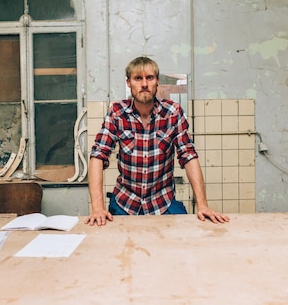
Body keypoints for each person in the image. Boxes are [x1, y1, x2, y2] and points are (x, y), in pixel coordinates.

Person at [84, 56, 231, 226]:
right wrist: (97, 207)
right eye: (138, 78)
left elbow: (188, 155)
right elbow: (98, 155)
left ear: (157, 82)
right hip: (125, 203)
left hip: (163, 202)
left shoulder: (173, 112)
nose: (144, 84)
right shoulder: (117, 113)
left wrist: (202, 205)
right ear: (128, 83)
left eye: (149, 78)